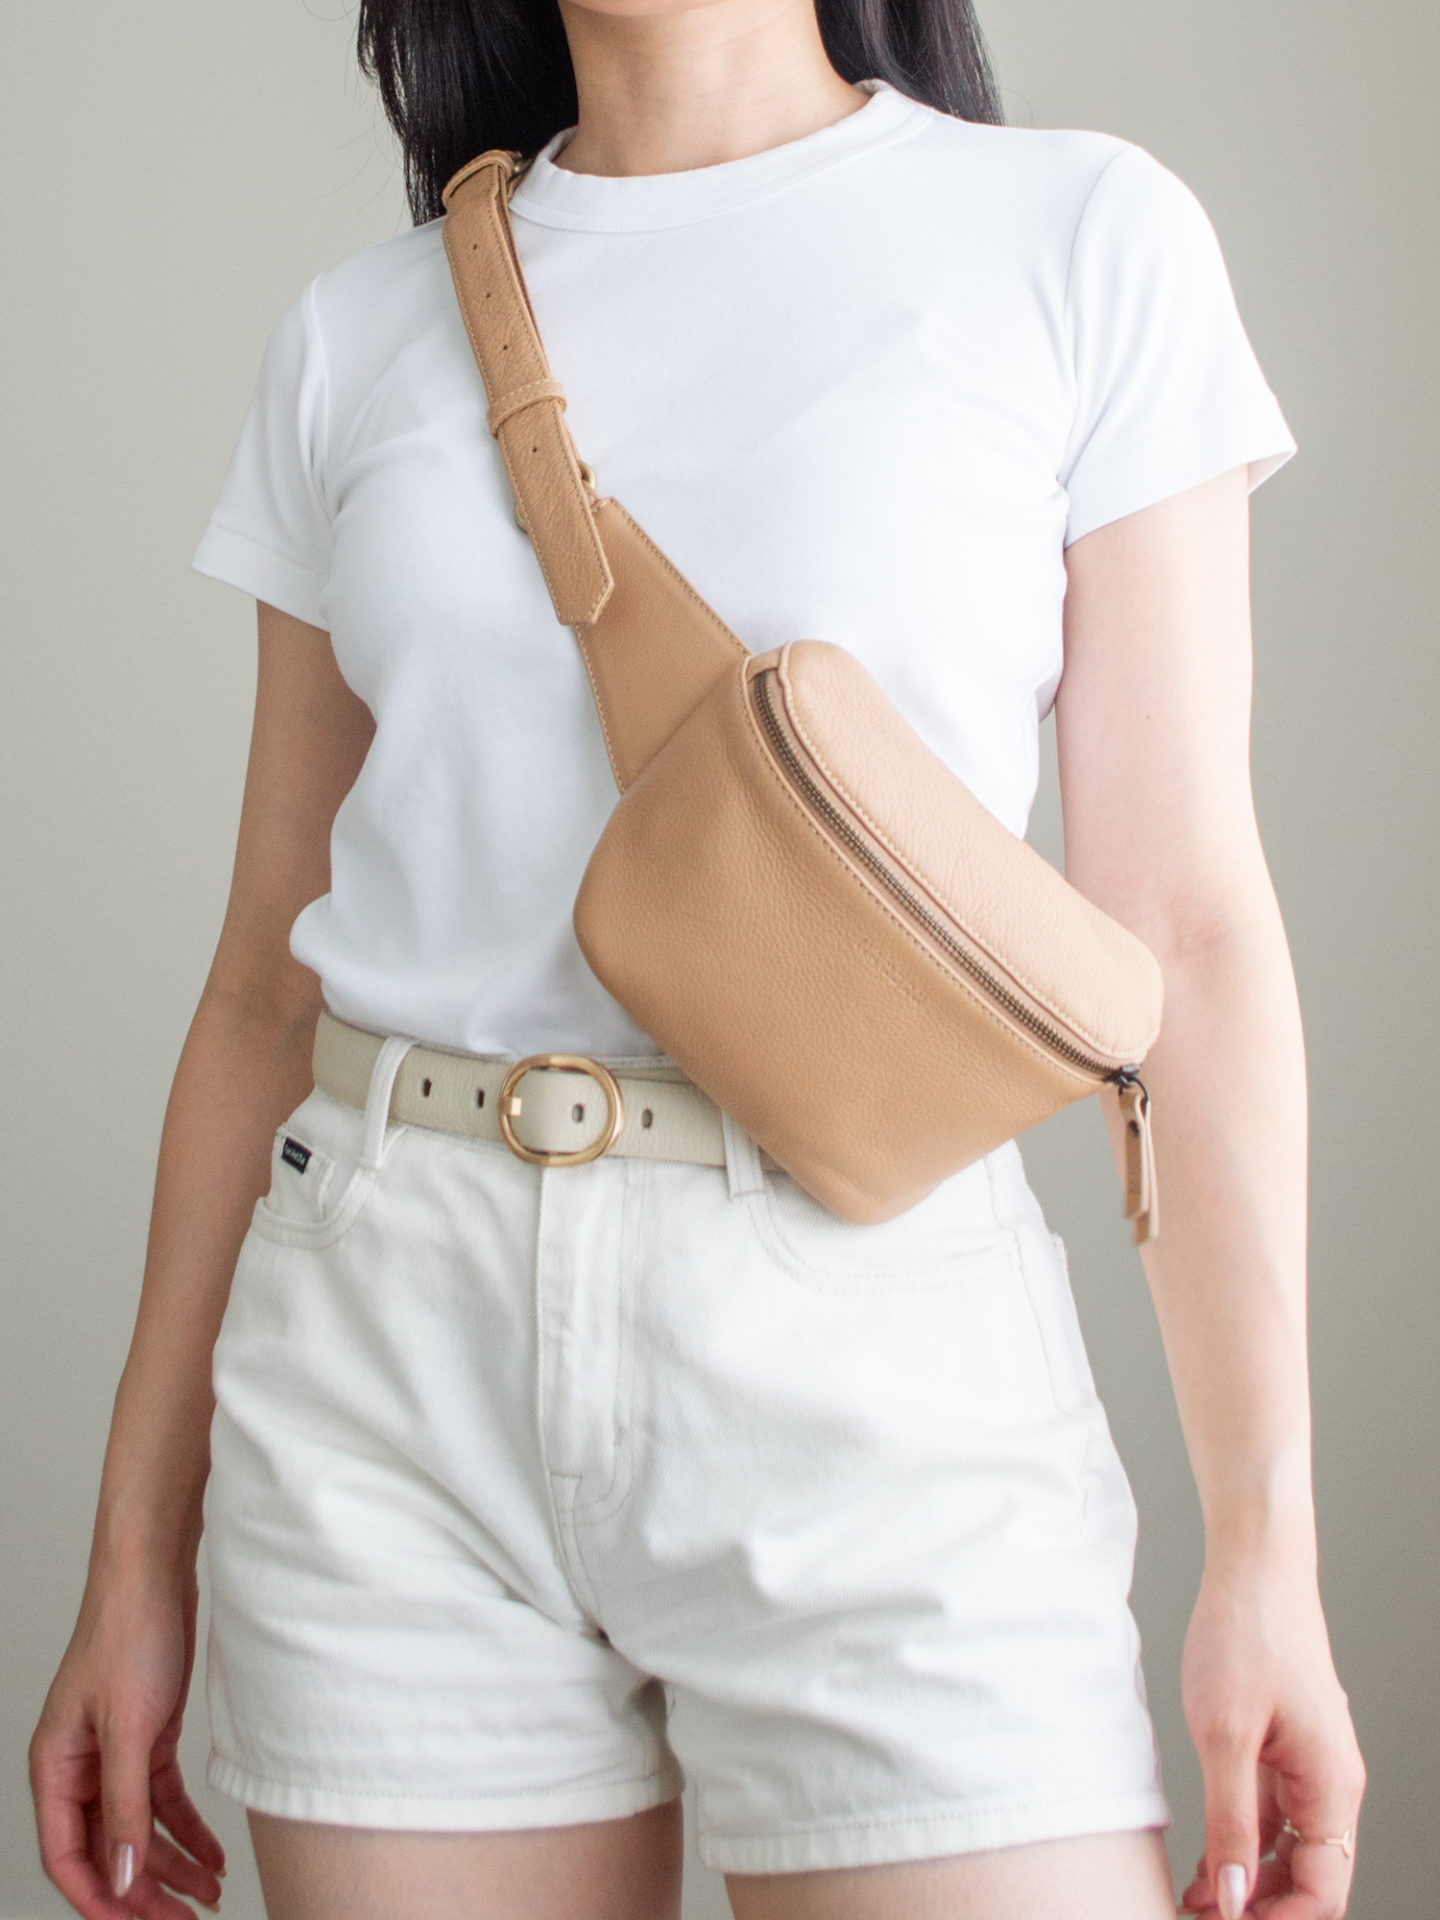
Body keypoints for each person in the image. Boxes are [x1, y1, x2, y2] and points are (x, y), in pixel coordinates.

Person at [28, 0, 1366, 1916]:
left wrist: (1268, 1555)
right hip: (386, 1357)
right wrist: (132, 1552)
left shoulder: (1078, 236)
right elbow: (264, 979)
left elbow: (1192, 936)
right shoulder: (362, 333)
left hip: (871, 1336)